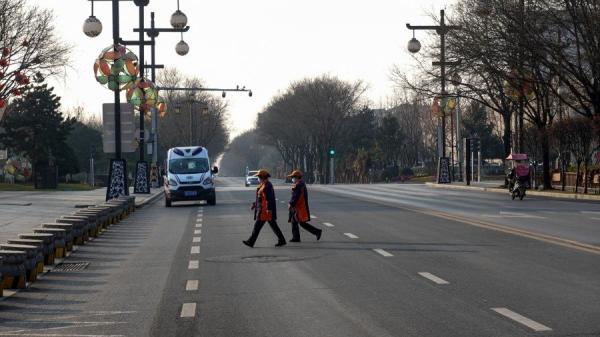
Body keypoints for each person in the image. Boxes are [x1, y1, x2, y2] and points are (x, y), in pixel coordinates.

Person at [243, 169, 286, 247]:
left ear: (262, 177)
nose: (258, 178)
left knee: (257, 227)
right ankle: (282, 240)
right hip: (263, 210)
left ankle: (251, 242)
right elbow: (261, 198)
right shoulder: (263, 185)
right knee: (273, 226)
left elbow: (268, 199)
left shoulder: (267, 186)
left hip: (265, 211)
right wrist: (255, 204)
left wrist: (268, 210)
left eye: (259, 177)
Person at [287, 170, 322, 243]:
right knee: (295, 221)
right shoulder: (300, 184)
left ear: (297, 177)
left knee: (301, 222)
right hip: (298, 206)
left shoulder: (299, 185)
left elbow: (296, 196)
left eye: (293, 177)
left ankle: (317, 232)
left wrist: (291, 203)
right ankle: (296, 237)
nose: (292, 179)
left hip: (299, 207)